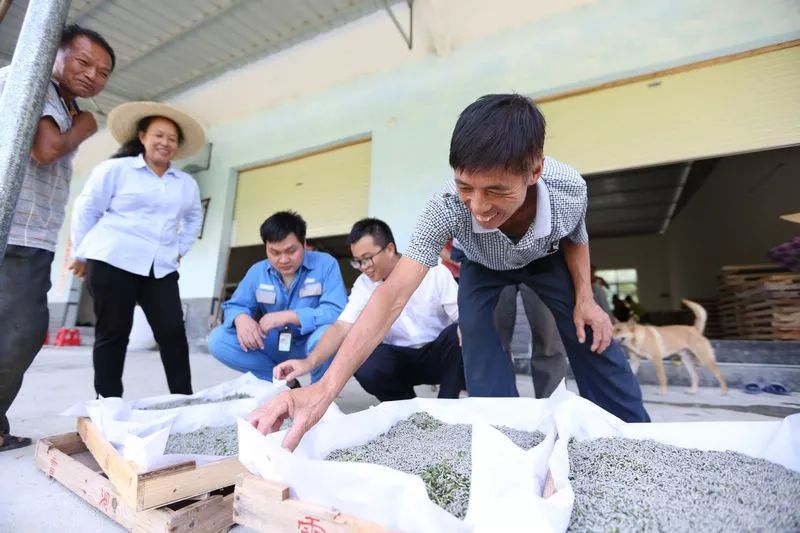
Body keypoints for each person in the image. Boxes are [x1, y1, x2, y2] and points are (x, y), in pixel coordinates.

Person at [250, 94, 649, 451]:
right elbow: (391, 295)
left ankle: (638, 436)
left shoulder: (568, 188)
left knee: (591, 333)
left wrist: (584, 296)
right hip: (481, 266)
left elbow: (576, 236)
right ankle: (508, 443)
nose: (478, 206)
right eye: (466, 187)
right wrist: (323, 389)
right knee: (477, 342)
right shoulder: (445, 205)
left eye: (495, 190)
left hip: (545, 260)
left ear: (534, 170)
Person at [0, 25, 115, 451]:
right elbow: (46, 150)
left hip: (30, 233)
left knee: (18, 331)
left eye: (102, 72)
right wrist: (85, 127)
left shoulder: (61, 101)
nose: (92, 76)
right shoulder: (34, 81)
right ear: (55, 53)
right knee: (22, 331)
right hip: (16, 230)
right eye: (83, 62)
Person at [70, 102, 206, 398]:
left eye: (172, 139)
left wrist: (180, 247)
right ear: (142, 136)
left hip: (161, 267)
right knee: (113, 334)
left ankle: (183, 398)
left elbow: (195, 217)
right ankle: (108, 402)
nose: (165, 143)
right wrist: (80, 254)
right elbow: (87, 209)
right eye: (159, 135)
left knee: (172, 332)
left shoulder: (185, 184)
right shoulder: (116, 170)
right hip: (113, 260)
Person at [273, 218, 465, 401]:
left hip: (440, 356)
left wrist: (463, 328)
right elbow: (342, 327)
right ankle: (409, 411)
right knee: (364, 360)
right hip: (400, 359)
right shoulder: (364, 285)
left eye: (367, 259)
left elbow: (461, 315)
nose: (363, 267)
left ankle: (446, 406)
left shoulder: (433, 271)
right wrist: (308, 362)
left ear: (390, 249)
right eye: (357, 261)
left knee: (459, 330)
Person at [208, 211, 347, 384]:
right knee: (218, 340)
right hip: (273, 343)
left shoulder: (326, 264)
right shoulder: (257, 272)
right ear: (266, 247)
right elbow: (236, 305)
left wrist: (288, 316)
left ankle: (319, 392)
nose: (283, 259)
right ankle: (284, 382)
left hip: (309, 342)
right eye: (274, 252)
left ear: (303, 243)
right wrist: (240, 318)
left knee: (328, 334)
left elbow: (336, 312)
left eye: (291, 251)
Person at [494, 284, 568, 398]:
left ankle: (553, 402)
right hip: (493, 269)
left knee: (548, 339)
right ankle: (496, 403)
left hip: (541, 268)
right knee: (493, 341)